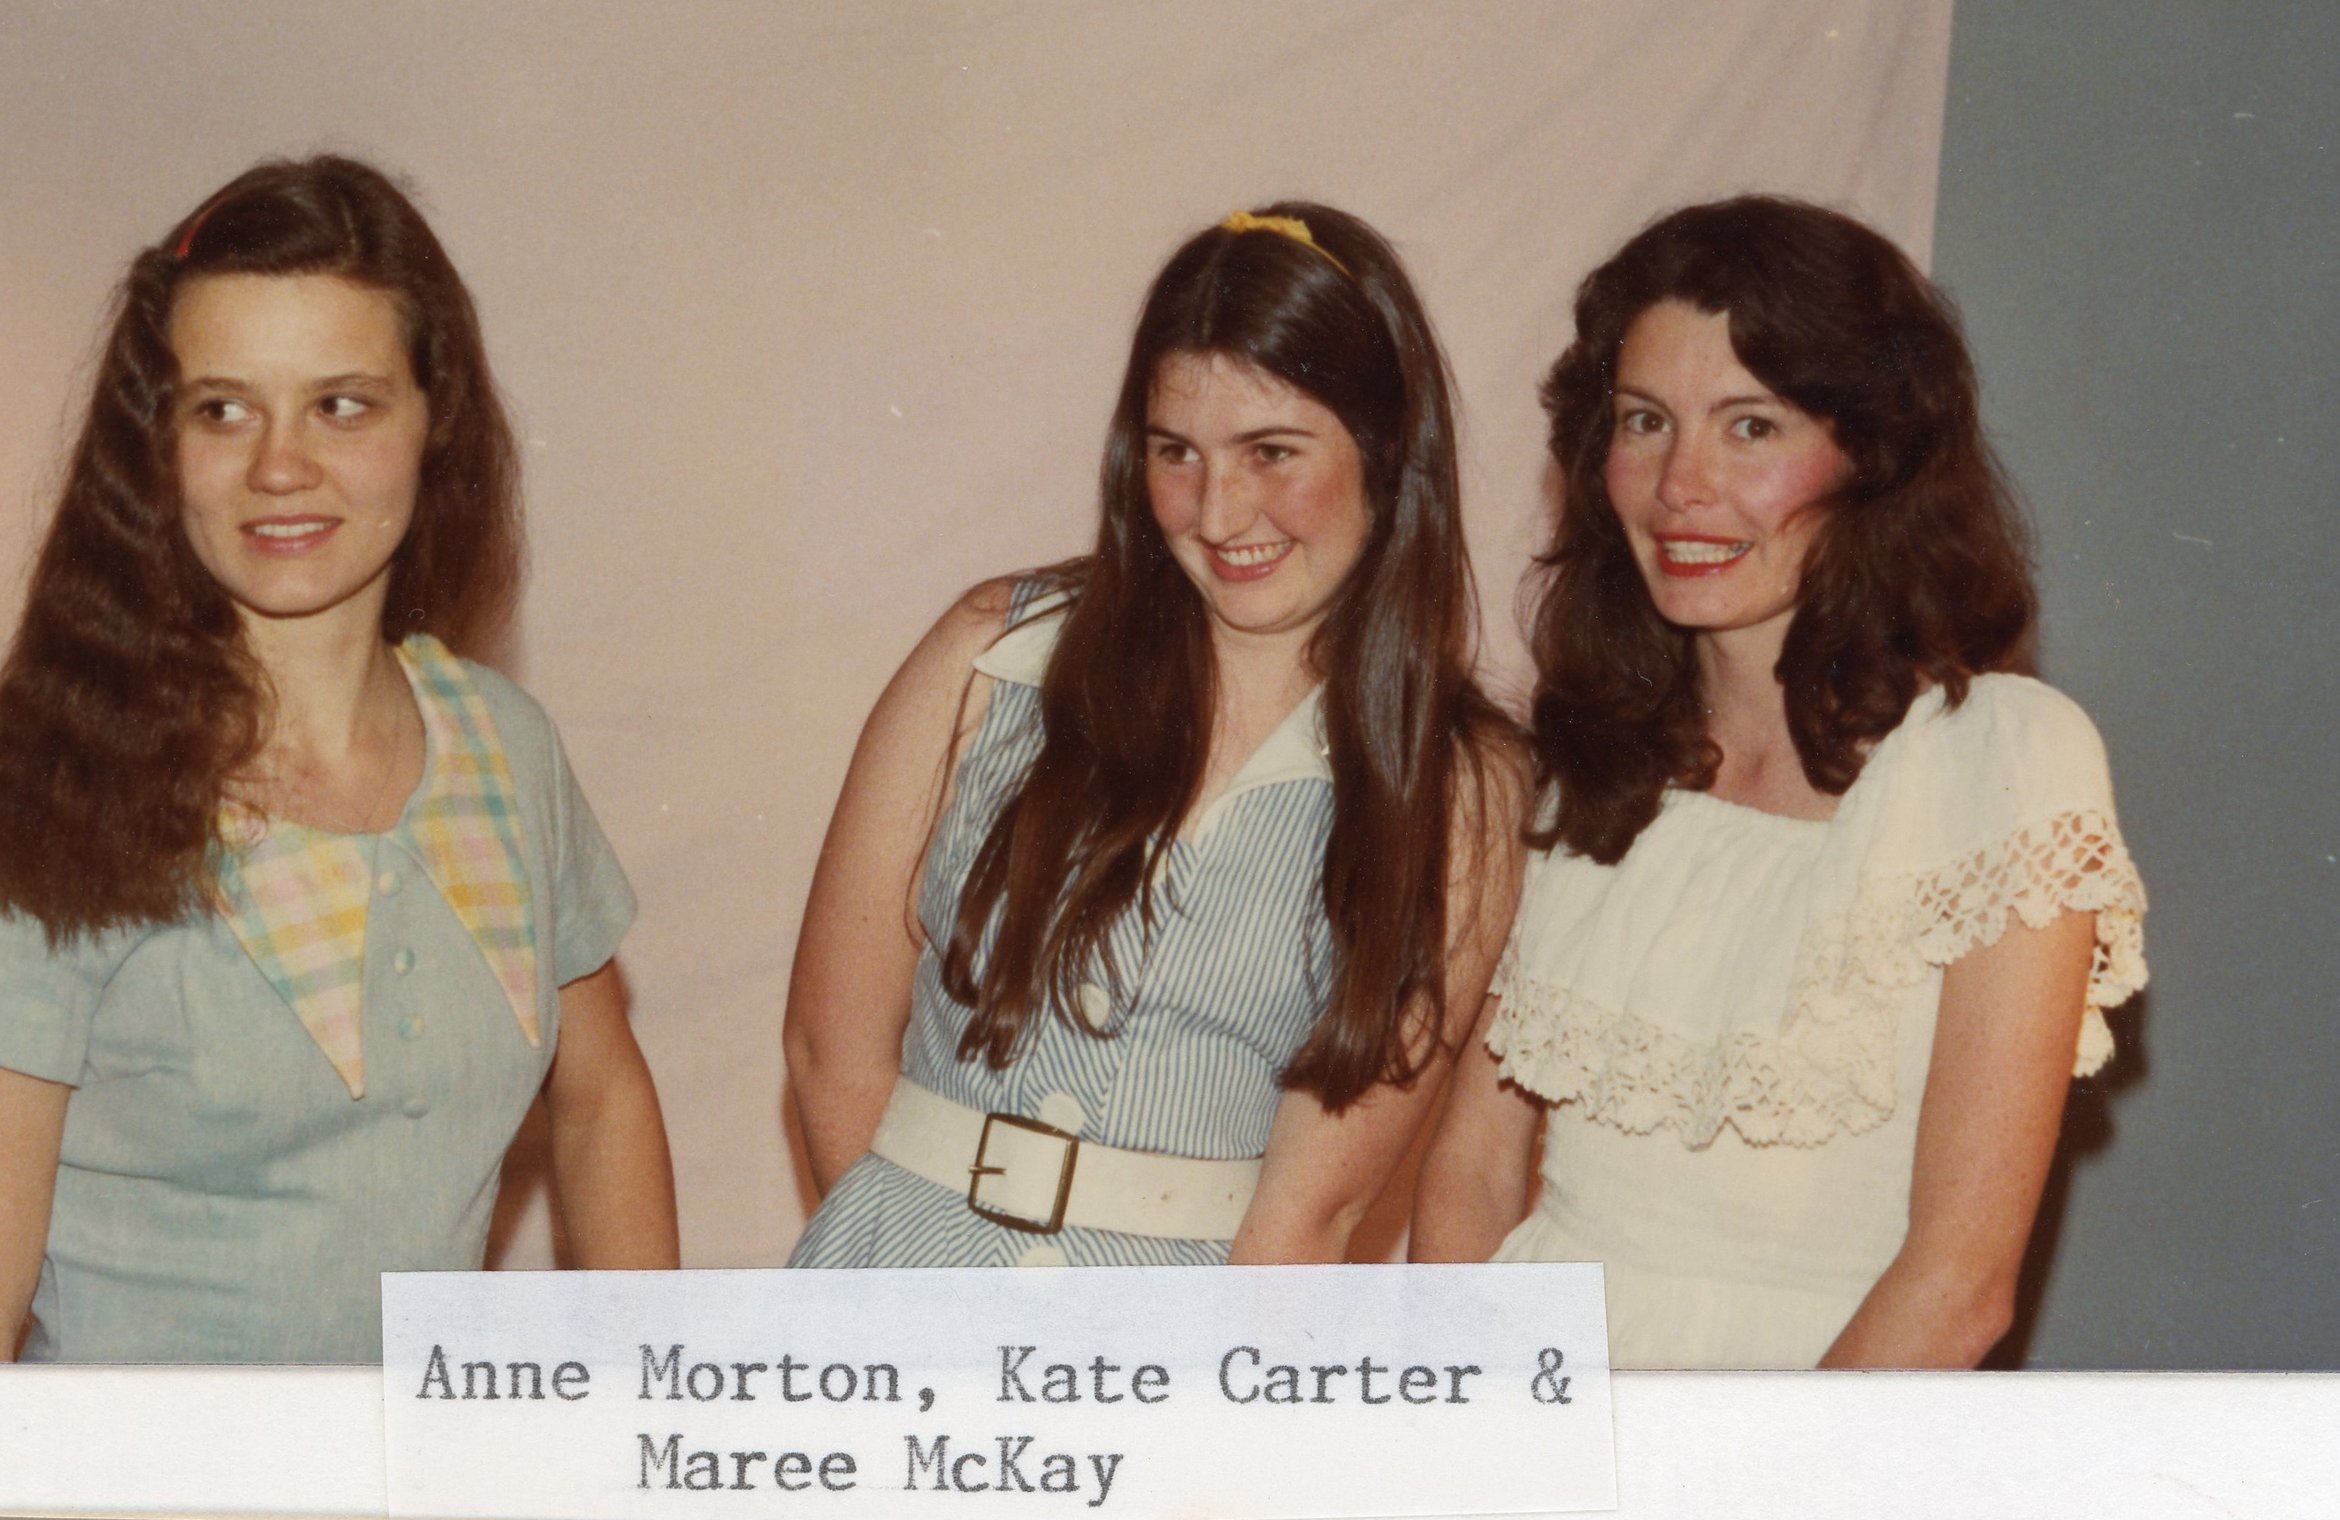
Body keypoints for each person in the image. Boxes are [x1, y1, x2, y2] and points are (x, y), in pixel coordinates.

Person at [0, 156, 679, 1364]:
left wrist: (644, 1412)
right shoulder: (38, 808)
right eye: (222, 408)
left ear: (431, 417)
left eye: (341, 404)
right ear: (158, 445)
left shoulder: (507, 748)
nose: (280, 467)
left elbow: (603, 1095)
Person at [1410, 196, 2149, 1368]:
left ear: (1872, 454)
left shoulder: (2003, 761)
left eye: (1750, 428)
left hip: (1820, 1447)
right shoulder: (1589, 763)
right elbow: (1469, 1180)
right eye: (1644, 421)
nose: (1680, 485)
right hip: (1535, 1432)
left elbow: (1959, 1283)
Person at [784, 205, 1524, 1268]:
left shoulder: (1460, 789)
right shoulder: (989, 652)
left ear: (1387, 446)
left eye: (1271, 451)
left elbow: (1308, 1217)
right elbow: (828, 1051)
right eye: (1178, 452)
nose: (1219, 512)